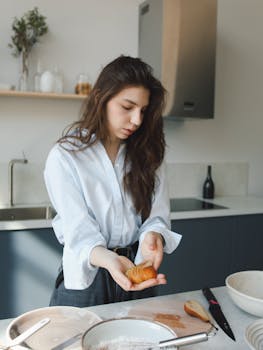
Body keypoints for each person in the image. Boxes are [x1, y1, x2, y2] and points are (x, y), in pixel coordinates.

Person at [44, 55, 182, 307]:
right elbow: (78, 231)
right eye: (127, 107)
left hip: (138, 270)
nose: (137, 120)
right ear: (101, 99)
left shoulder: (150, 154)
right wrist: (108, 259)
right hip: (88, 276)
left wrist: (154, 235)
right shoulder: (65, 157)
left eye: (143, 110)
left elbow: (158, 216)